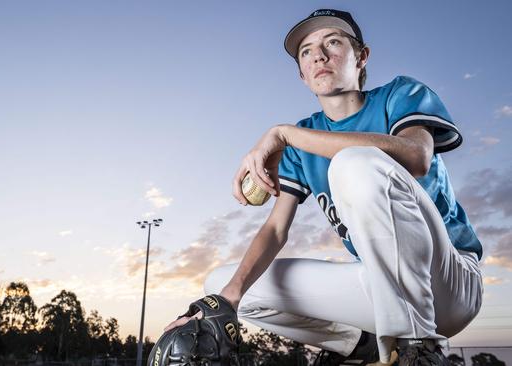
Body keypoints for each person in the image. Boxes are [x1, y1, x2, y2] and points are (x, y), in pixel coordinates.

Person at [165, 8, 483, 366]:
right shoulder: (305, 139)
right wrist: (226, 301)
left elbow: (417, 156)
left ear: (362, 57)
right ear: (302, 74)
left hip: (450, 280)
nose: (319, 54)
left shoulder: (399, 93)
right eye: (306, 51)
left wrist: (284, 134)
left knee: (354, 161)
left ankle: (419, 347)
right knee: (224, 284)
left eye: (333, 42)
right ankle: (355, 344)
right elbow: (275, 229)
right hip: (382, 289)